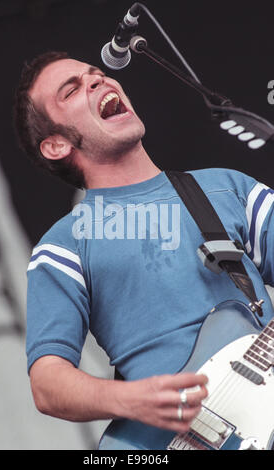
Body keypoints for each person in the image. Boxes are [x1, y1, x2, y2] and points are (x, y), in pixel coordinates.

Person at [14, 51, 274, 450]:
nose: (97, 81)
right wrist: (133, 401)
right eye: (72, 90)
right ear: (55, 144)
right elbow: (47, 384)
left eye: (97, 74)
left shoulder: (227, 188)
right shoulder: (63, 245)